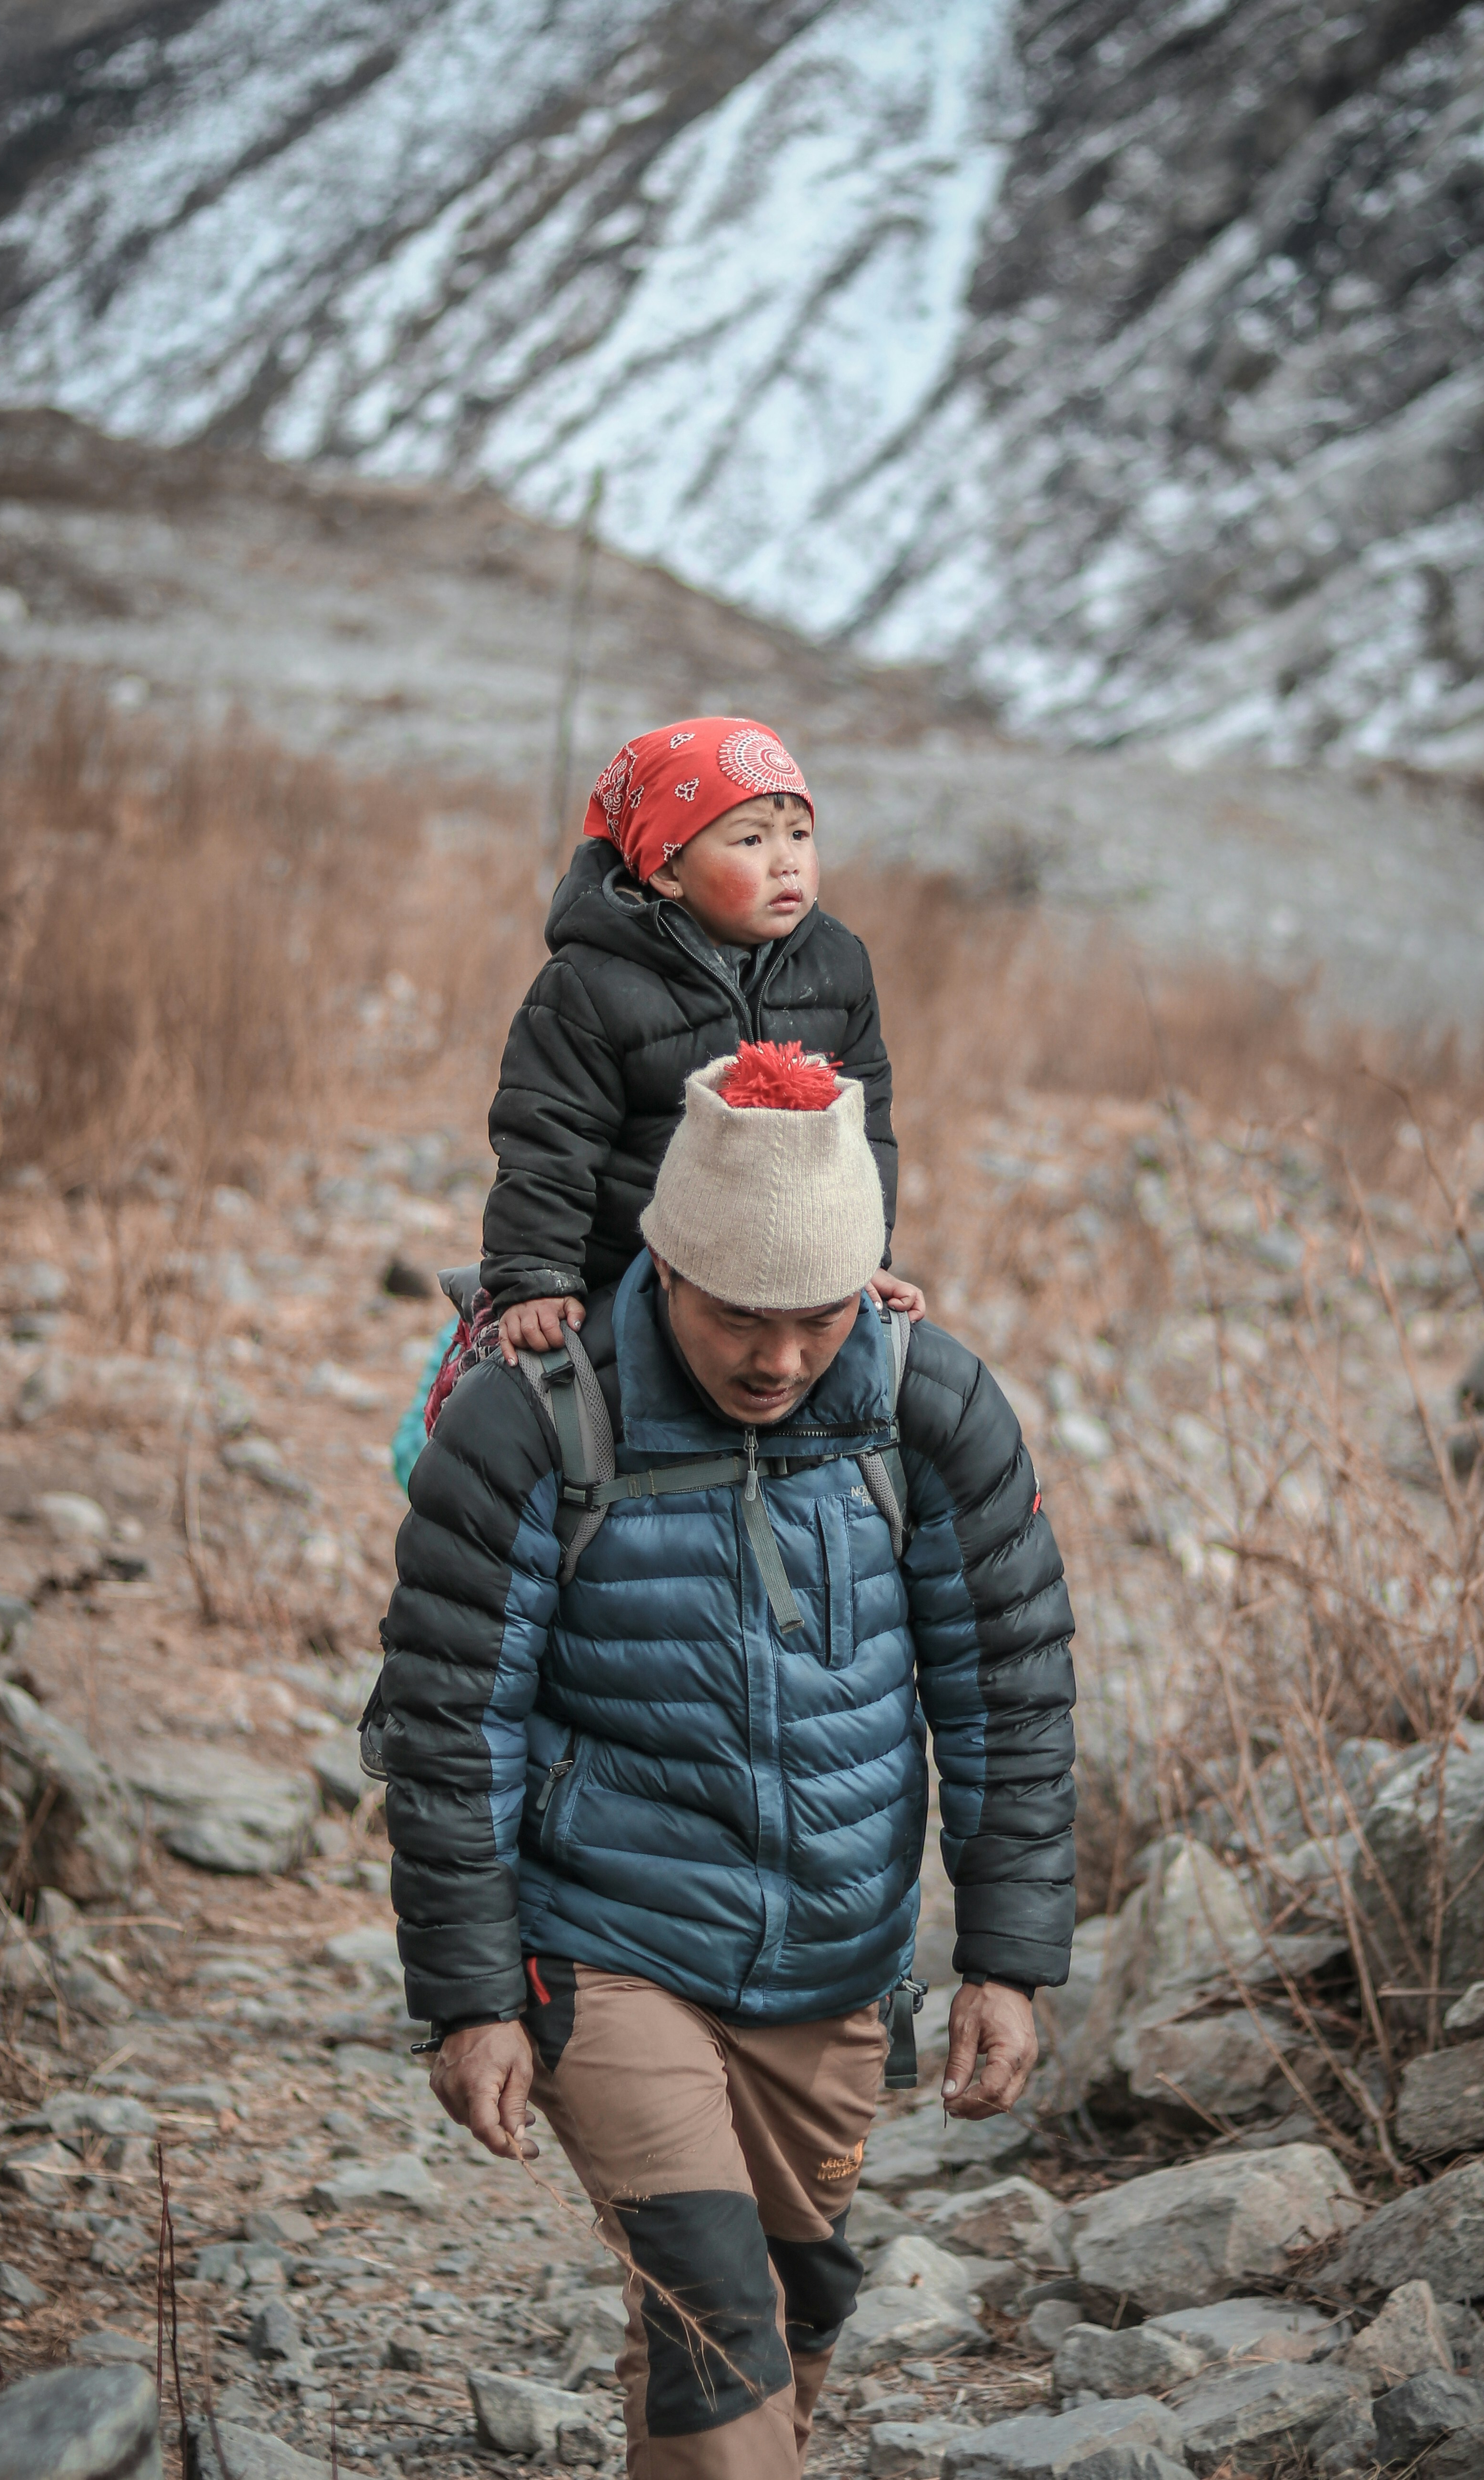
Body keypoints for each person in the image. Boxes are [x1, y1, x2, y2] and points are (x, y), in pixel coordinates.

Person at [376, 1040, 1077, 2478]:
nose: (777, 1358)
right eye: (738, 1318)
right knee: (715, 2315)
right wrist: (466, 1998)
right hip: (605, 1944)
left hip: (833, 1960)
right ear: (666, 1268)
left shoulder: (924, 1412)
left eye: (816, 1318)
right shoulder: (535, 1420)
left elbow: (1006, 1691)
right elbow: (451, 1728)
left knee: (799, 2302)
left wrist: (1007, 1961)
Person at [468, 715, 922, 1379]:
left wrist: (862, 1259)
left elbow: (863, 1127)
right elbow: (548, 1134)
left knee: (904, 1386)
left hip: (786, 1286)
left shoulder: (838, 965)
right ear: (668, 868)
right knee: (560, 1406)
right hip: (633, 1271)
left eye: (799, 834)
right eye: (751, 839)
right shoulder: (592, 984)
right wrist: (537, 1275)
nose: (787, 859)